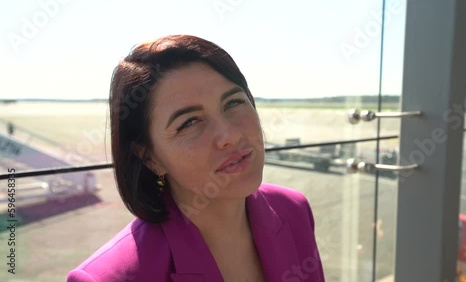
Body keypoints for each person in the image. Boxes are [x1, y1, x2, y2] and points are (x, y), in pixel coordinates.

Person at [67, 35, 324, 282]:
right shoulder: (106, 277)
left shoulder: (293, 209)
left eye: (233, 103)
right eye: (189, 122)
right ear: (149, 157)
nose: (230, 135)